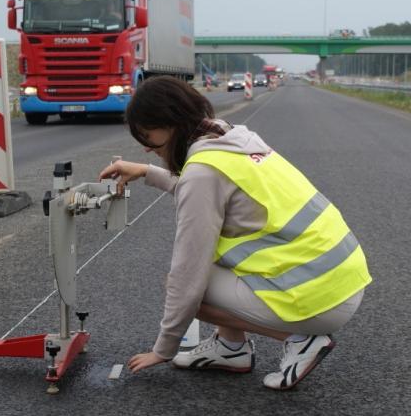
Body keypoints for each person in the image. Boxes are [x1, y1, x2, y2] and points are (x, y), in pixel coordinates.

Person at [98, 76, 371, 390]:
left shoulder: (203, 172)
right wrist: (148, 172)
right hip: (340, 278)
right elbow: (208, 190)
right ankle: (231, 349)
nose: (147, 148)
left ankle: (299, 340)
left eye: (148, 136)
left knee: (185, 286)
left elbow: (187, 274)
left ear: (172, 124)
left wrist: (164, 349)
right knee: (212, 267)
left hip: (320, 298)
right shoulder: (230, 138)